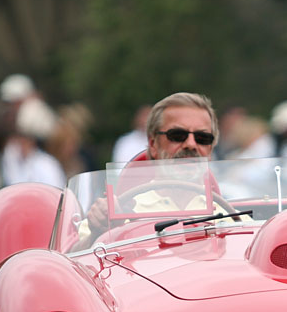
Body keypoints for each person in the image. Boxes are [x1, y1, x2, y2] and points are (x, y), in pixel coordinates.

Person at [82, 92, 220, 238]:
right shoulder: (120, 211)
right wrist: (97, 233)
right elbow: (74, 254)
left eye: (202, 138)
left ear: (211, 149)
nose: (191, 144)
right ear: (153, 144)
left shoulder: (229, 216)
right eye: (177, 135)